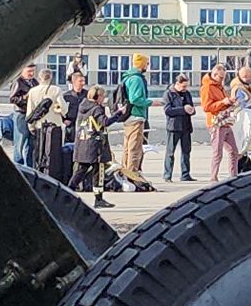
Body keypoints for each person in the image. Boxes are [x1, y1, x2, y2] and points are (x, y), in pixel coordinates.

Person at [70, 86, 114, 208]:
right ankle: (98, 199)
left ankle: (69, 191)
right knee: (98, 172)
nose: (103, 98)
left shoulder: (83, 106)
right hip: (96, 146)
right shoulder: (97, 109)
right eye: (102, 96)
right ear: (97, 97)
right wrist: (119, 114)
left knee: (81, 170)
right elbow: (105, 122)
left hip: (83, 144)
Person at [118, 54, 155, 192]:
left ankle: (125, 172)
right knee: (135, 148)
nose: (148, 66)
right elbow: (135, 99)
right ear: (142, 64)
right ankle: (132, 174)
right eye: (147, 63)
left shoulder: (127, 77)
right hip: (136, 116)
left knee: (127, 147)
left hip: (128, 117)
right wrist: (150, 102)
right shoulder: (136, 79)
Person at [25, 70, 65, 177]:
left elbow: (30, 111)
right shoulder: (56, 90)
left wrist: (31, 127)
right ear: (51, 78)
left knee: (39, 152)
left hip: (39, 125)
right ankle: (53, 176)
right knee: (54, 154)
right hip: (55, 126)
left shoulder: (33, 91)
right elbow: (63, 108)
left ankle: (40, 173)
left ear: (39, 78)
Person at [202, 63, 237, 182]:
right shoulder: (207, 87)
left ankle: (234, 176)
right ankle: (213, 177)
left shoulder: (220, 87)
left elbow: (222, 102)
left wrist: (230, 102)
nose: (223, 80)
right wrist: (223, 102)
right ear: (214, 75)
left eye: (223, 78)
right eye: (221, 78)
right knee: (218, 152)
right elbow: (206, 107)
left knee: (234, 151)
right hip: (216, 123)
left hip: (225, 122)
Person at [162, 73, 196, 182]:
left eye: (186, 86)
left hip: (186, 126)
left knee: (186, 151)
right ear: (177, 84)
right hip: (174, 127)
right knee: (170, 152)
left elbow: (191, 107)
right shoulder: (169, 94)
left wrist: (191, 110)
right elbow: (168, 110)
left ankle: (185, 174)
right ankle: (167, 175)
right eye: (183, 86)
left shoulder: (187, 94)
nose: (185, 89)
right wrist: (183, 109)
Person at [59, 70, 89, 186]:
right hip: (70, 128)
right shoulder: (66, 96)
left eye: (84, 80)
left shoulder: (87, 95)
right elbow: (58, 110)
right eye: (80, 81)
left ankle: (83, 182)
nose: (83, 83)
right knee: (69, 154)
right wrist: (63, 120)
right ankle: (68, 179)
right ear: (73, 82)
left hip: (84, 127)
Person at [9, 62, 37, 167]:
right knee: (20, 141)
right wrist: (25, 97)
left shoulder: (34, 82)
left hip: (32, 115)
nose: (31, 73)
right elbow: (12, 98)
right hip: (21, 114)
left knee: (31, 143)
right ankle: (17, 165)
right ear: (22, 71)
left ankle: (29, 167)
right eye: (29, 71)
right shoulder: (18, 82)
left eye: (33, 71)